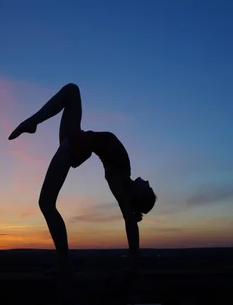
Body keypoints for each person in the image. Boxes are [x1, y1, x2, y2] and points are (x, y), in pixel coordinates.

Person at [8, 83, 157, 276]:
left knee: (46, 203)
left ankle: (64, 263)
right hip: (76, 137)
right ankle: (33, 122)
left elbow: (130, 222)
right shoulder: (124, 175)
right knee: (71, 90)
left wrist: (135, 264)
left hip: (75, 147)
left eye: (148, 188)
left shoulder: (119, 184)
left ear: (138, 195)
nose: (147, 182)